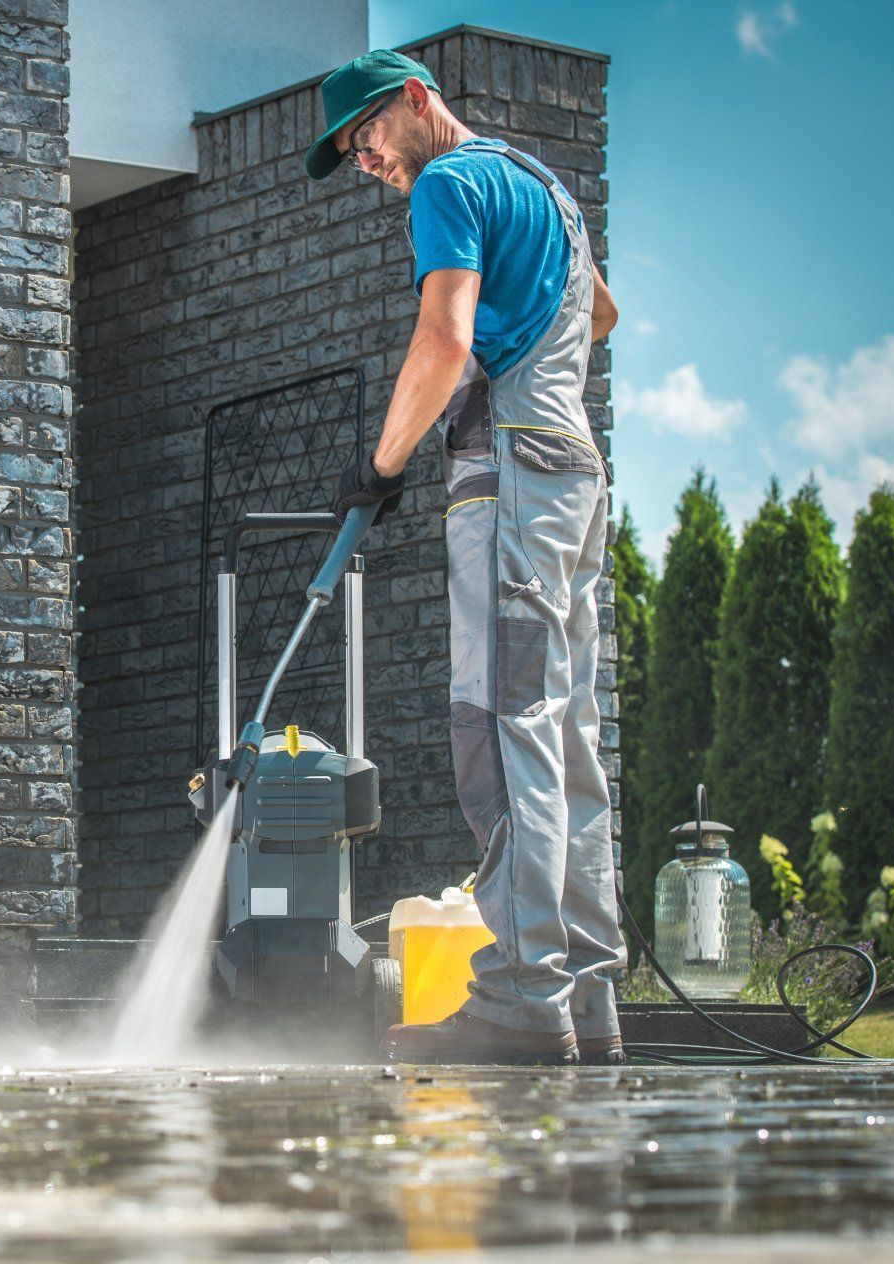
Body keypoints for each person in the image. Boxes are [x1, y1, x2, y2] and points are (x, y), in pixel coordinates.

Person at [309, 51, 625, 1065]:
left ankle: (526, 997)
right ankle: (585, 997)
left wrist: (380, 463)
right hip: (572, 469)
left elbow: (442, 343)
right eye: (352, 153)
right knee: (564, 728)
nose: (364, 159)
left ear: (415, 97)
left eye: (365, 133)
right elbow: (602, 315)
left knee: (504, 721)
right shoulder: (545, 188)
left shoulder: (447, 182)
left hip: (514, 478)